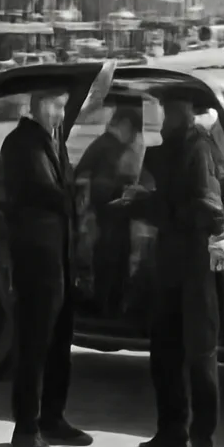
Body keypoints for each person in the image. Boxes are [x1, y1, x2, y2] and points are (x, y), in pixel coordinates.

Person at [119, 85, 224, 447]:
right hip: (168, 260)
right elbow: (162, 197)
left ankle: (201, 440)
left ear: (186, 112)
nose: (164, 118)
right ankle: (171, 432)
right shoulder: (167, 147)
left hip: (196, 261)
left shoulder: (197, 146)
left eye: (170, 111)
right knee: (164, 350)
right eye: (163, 111)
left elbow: (203, 205)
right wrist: (139, 202)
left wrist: (149, 204)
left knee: (199, 353)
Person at [0, 87, 94, 447]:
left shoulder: (54, 141)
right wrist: (82, 193)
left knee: (59, 343)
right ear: (39, 105)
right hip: (35, 259)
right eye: (56, 108)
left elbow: (65, 184)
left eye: (63, 109)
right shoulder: (22, 143)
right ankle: (26, 428)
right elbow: (46, 190)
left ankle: (53, 417)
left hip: (60, 255)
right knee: (34, 345)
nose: (60, 116)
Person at [74, 106, 144, 316]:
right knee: (110, 263)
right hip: (109, 217)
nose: (133, 138)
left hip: (109, 217)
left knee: (111, 262)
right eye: (133, 132)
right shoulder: (110, 147)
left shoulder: (102, 145)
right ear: (124, 125)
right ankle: (107, 308)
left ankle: (107, 306)